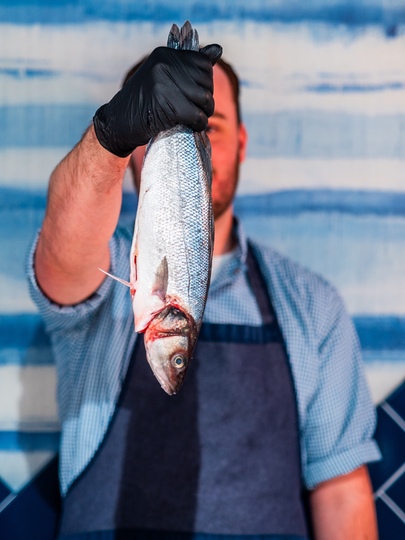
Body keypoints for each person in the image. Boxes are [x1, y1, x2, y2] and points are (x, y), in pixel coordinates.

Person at [27, 38, 381, 540]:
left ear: (241, 142)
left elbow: (342, 492)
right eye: (148, 127)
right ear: (133, 154)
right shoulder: (104, 271)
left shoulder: (311, 303)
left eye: (211, 126)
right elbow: (61, 255)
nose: (200, 138)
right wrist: (111, 131)